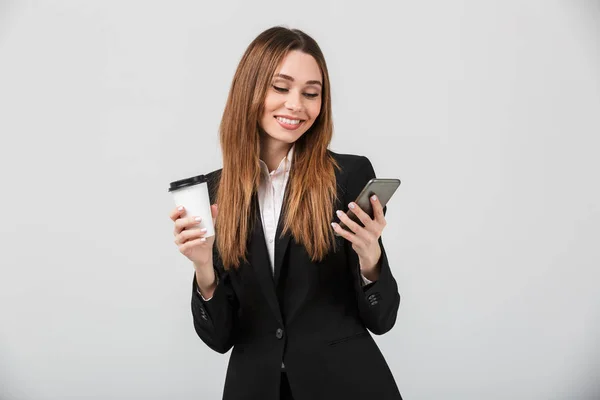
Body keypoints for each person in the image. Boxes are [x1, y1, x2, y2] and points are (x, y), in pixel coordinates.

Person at [169, 26, 402, 400]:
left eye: (311, 93)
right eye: (281, 88)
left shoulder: (349, 177)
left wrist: (370, 256)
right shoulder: (215, 192)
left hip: (346, 385)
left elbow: (382, 319)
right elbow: (219, 339)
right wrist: (203, 268)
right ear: (251, 89)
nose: (297, 104)